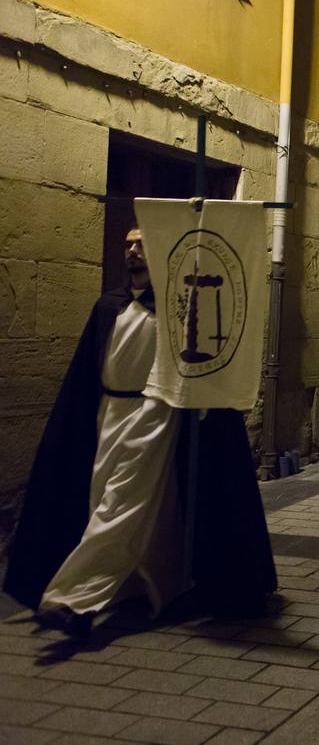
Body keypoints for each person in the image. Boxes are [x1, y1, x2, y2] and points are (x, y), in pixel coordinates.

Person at [3, 228, 276, 639]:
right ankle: (148, 585)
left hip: (153, 415)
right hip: (107, 415)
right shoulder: (107, 306)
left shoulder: (177, 308)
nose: (132, 251)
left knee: (120, 503)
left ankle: (73, 599)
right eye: (128, 244)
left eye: (142, 244)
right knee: (119, 503)